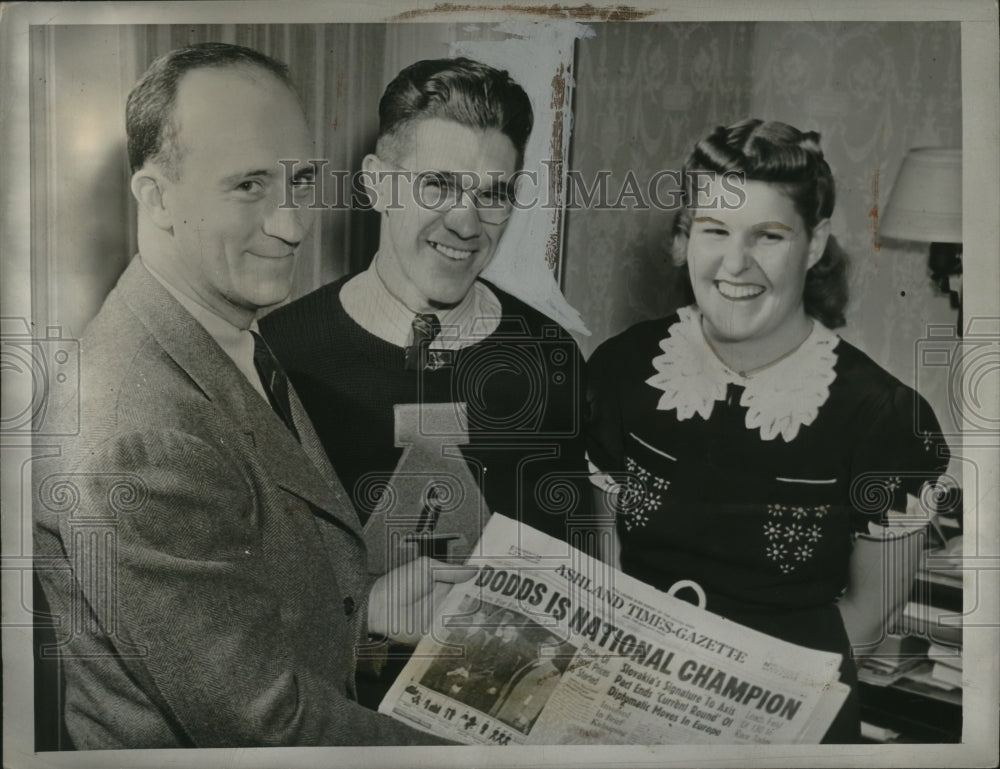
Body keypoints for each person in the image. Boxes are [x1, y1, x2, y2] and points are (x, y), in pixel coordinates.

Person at [31, 42, 468, 749]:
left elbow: (230, 618)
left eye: (299, 181)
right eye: (249, 186)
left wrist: (368, 611)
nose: (293, 224)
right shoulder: (139, 434)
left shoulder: (214, 327)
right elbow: (272, 724)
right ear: (156, 197)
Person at [584, 119, 951, 743]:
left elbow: (865, 616)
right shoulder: (622, 369)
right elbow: (607, 566)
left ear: (814, 244)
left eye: (769, 235)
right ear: (685, 238)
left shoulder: (886, 417)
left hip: (788, 717)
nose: (735, 263)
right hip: (631, 701)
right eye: (714, 231)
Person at [261, 57, 594, 707]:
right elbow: (246, 606)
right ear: (378, 184)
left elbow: (570, 577)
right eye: (437, 184)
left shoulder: (549, 354)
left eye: (492, 193)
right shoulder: (281, 356)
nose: (466, 223)